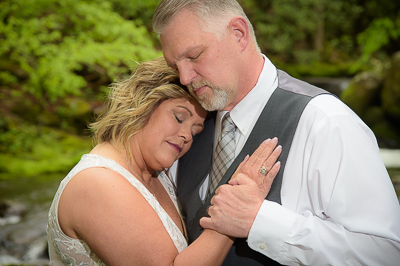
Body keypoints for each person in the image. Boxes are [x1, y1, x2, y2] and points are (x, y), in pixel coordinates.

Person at [152, 0, 400, 265]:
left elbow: (386, 253)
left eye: (194, 56)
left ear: (239, 34)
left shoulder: (326, 122)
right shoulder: (184, 128)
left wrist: (260, 221)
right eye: (175, 66)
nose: (185, 78)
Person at [46, 57, 282, 265]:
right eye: (179, 117)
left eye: (196, 131)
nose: (187, 136)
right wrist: (234, 208)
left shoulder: (155, 174)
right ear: (142, 104)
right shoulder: (97, 183)